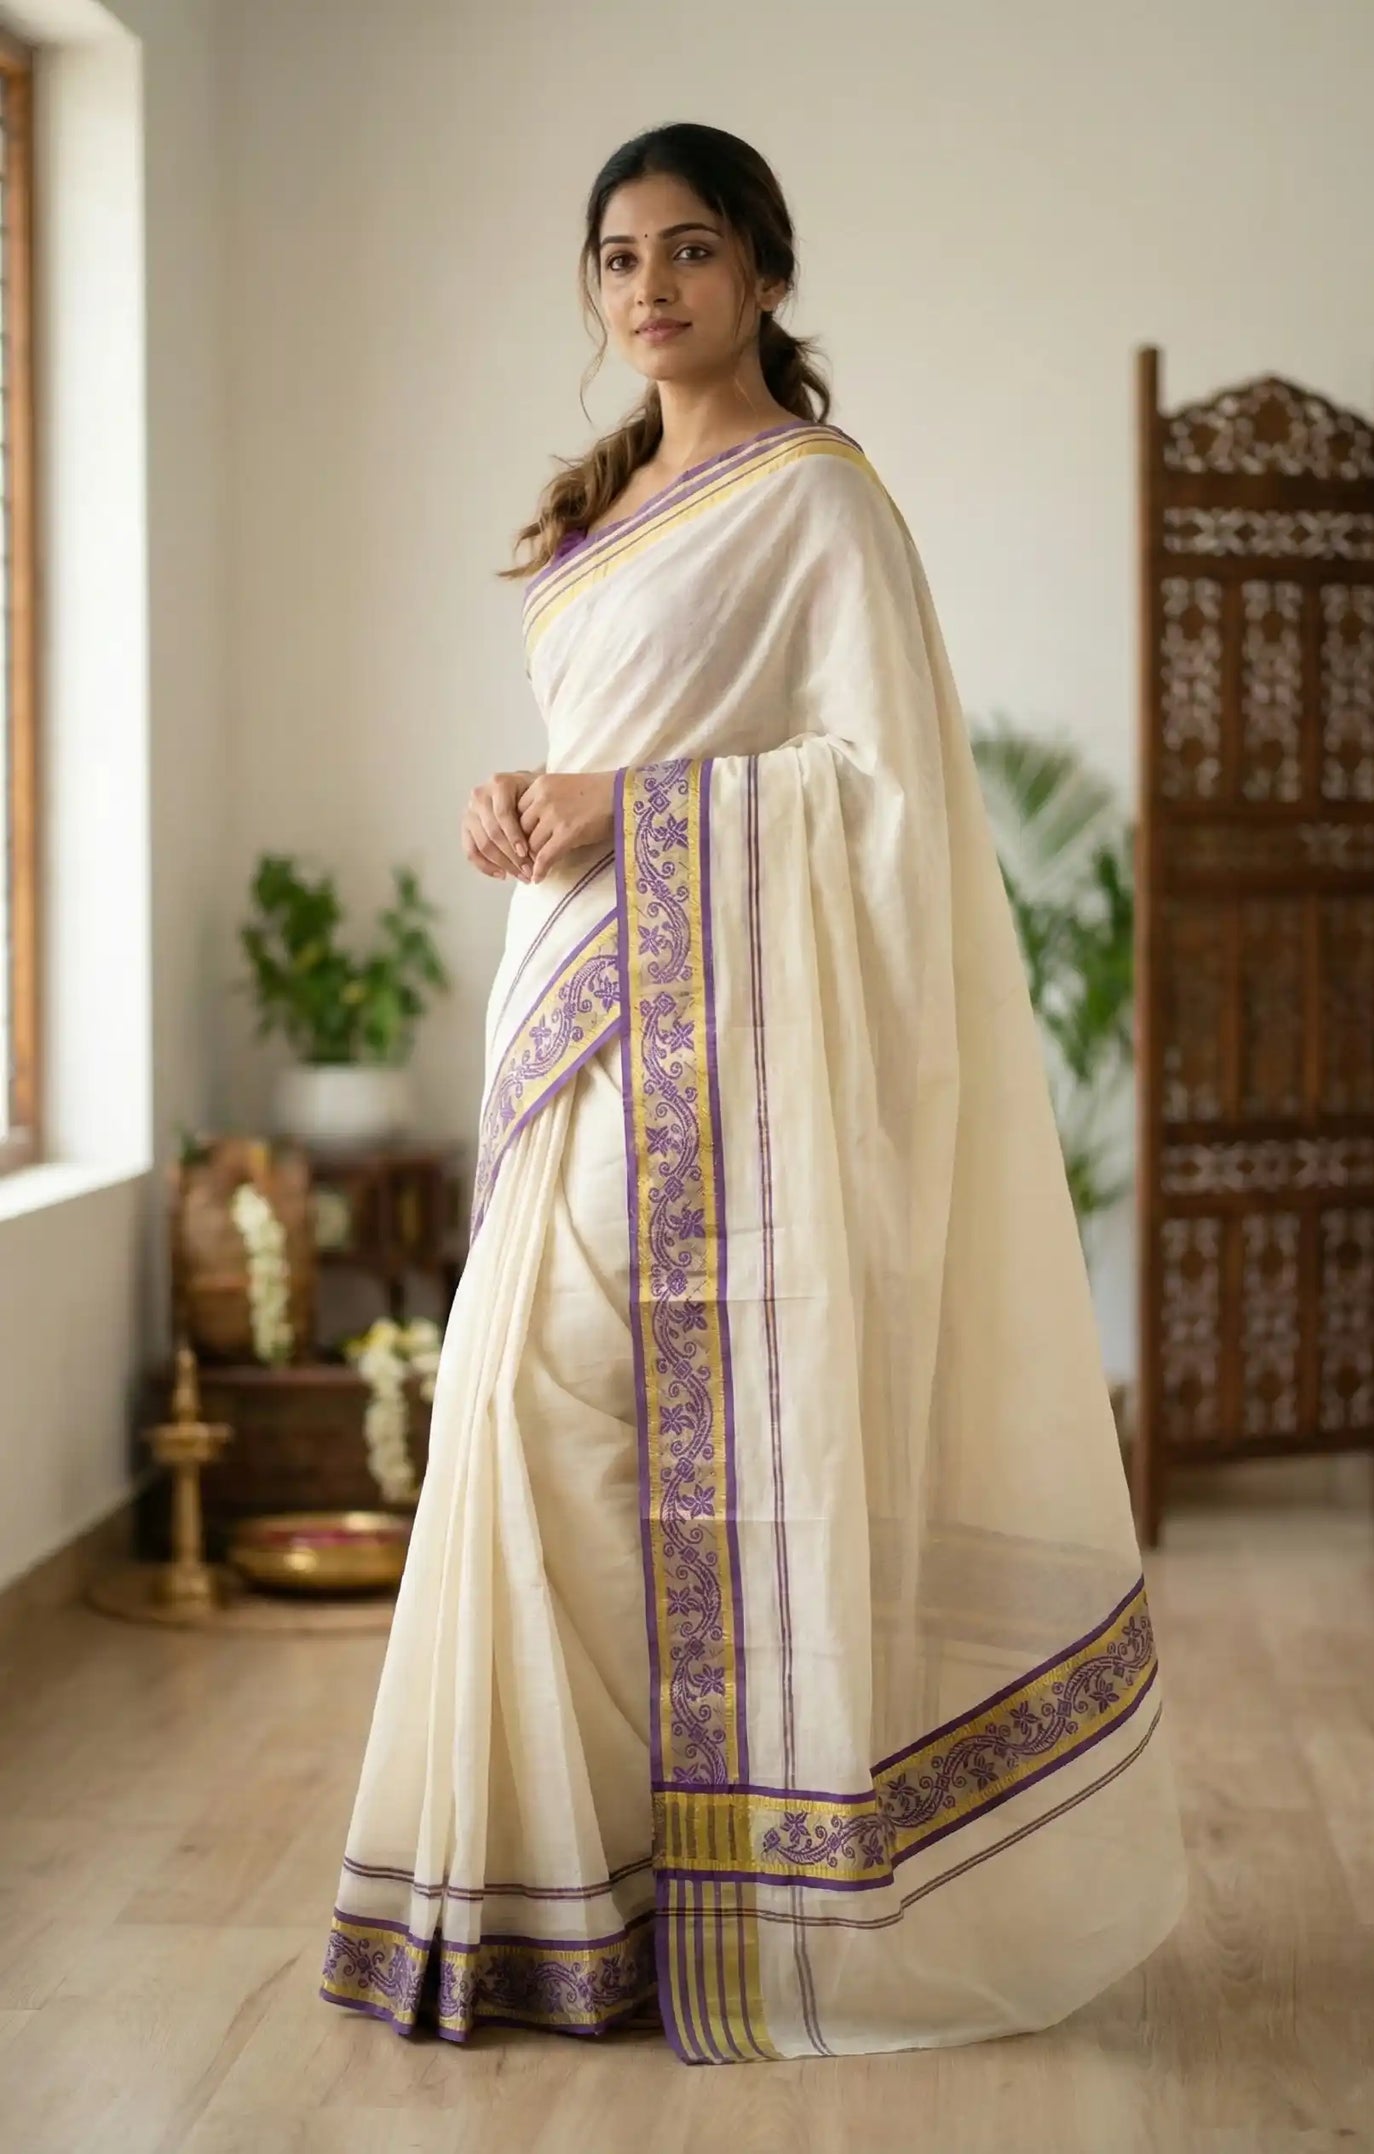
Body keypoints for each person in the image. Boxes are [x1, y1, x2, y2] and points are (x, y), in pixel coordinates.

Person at [319, 120, 1188, 2066]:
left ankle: (689, 1887)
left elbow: (887, 801)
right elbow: (602, 752)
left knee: (594, 1420)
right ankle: (556, 1896)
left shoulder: (820, 504)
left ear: (767, 274)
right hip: (577, 1009)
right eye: (619, 256)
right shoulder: (592, 519)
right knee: (532, 1421)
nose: (651, 288)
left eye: (691, 250)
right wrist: (525, 805)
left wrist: (633, 804)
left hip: (710, 1051)